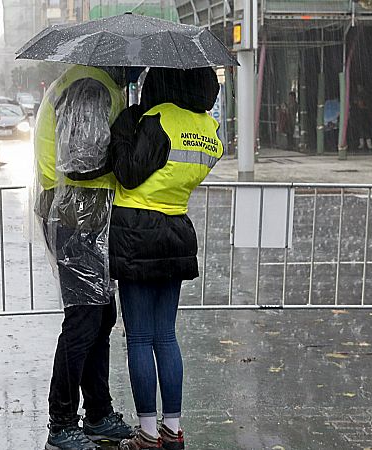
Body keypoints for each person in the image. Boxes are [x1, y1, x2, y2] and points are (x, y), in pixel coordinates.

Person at [108, 67, 223, 450]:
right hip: (176, 230)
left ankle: (147, 433)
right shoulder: (208, 129)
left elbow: (127, 174)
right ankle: (173, 429)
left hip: (136, 231)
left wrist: (126, 127)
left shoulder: (157, 120)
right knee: (165, 335)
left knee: (140, 337)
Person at [34, 64, 138, 450]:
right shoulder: (91, 87)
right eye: (136, 65)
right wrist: (127, 153)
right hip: (76, 211)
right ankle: (62, 422)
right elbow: (80, 160)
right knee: (84, 318)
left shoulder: (92, 81)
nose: (139, 71)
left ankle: (97, 413)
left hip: (82, 210)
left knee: (99, 315)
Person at [352, 85, 372, 151]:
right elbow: (354, 102)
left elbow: (369, 105)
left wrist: (364, 106)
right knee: (360, 129)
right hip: (359, 115)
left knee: (366, 129)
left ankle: (369, 144)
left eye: (360, 87)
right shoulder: (357, 95)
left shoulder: (366, 95)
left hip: (365, 114)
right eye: (358, 87)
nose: (359, 88)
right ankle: (361, 144)